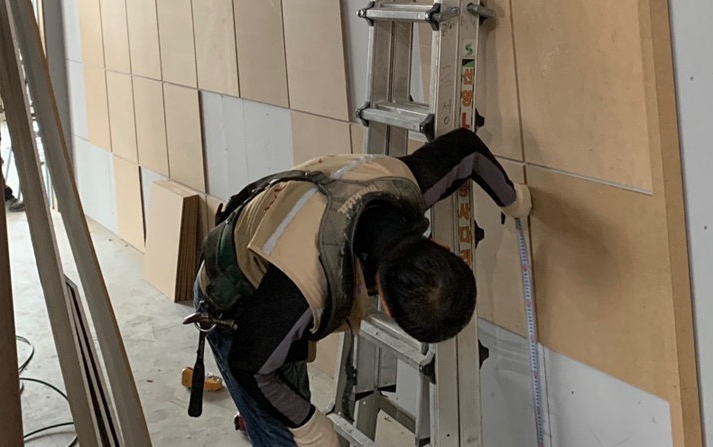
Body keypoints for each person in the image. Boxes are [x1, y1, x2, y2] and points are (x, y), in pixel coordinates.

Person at [188, 127, 531, 447]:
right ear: (387, 305)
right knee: (284, 428)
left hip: (269, 261)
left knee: (284, 384)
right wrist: (309, 426)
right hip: (232, 300)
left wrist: (513, 199)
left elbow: (467, 150)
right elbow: (249, 364)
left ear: (440, 247)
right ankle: (262, 423)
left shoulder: (404, 184)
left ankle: (258, 418)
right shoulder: (306, 284)